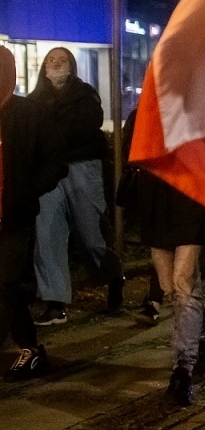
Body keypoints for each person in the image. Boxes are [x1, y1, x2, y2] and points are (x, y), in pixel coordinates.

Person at [121, 107, 205, 405]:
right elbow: (132, 155)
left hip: (192, 203)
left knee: (183, 283)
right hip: (155, 205)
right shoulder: (142, 115)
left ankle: (183, 368)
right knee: (170, 288)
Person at [31, 46, 121, 323]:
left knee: (91, 236)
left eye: (62, 59)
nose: (56, 63)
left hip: (82, 169)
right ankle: (55, 303)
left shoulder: (85, 94)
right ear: (44, 67)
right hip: (49, 173)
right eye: (51, 60)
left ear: (71, 65)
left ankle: (113, 276)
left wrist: (51, 133)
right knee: (47, 236)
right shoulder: (34, 100)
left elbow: (83, 126)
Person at [2, 46, 66, 380]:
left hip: (14, 214)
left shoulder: (30, 114)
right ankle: (30, 348)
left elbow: (56, 162)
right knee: (6, 285)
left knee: (6, 280)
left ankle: (29, 348)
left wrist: (26, 189)